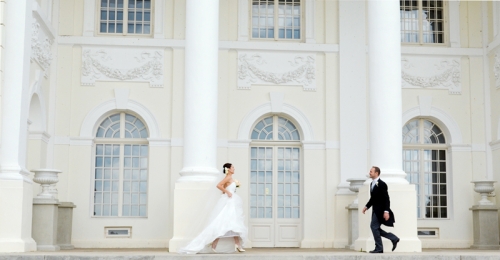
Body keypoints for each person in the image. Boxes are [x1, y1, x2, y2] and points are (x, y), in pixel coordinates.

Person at [178, 163, 248, 254]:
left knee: (231, 223)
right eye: (233, 167)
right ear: (228, 169)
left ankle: (231, 244)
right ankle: (225, 243)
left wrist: (230, 190)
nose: (234, 168)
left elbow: (225, 186)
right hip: (229, 202)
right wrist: (227, 192)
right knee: (227, 222)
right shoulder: (228, 177)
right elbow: (218, 185)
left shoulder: (230, 178)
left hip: (231, 202)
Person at [362, 166, 400, 253]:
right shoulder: (371, 184)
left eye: (371, 171)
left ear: (376, 173)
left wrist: (386, 211)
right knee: (375, 227)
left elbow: (387, 199)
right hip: (375, 210)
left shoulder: (382, 184)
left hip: (381, 211)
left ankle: (379, 248)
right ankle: (393, 238)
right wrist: (366, 207)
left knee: (374, 227)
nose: (369, 173)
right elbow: (373, 199)